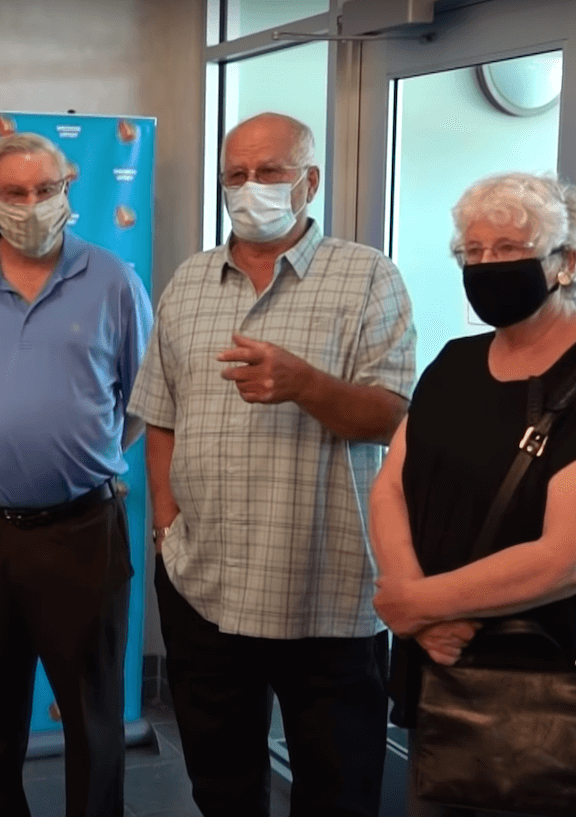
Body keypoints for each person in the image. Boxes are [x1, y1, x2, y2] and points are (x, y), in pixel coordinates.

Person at [128, 111, 416, 817]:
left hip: (324, 586)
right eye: (236, 174)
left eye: (270, 172)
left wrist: (305, 384)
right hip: (205, 582)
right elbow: (160, 413)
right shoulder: (190, 282)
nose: (249, 186)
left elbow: (391, 415)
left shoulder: (367, 277)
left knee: (338, 791)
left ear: (309, 182)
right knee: (221, 786)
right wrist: (166, 526)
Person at [369, 171, 576, 817]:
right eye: (472, 252)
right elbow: (391, 486)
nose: (486, 266)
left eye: (508, 249)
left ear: (566, 261)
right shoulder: (453, 365)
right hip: (444, 666)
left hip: (556, 687)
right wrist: (421, 612)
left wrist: (417, 604)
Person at [0, 131, 153, 817]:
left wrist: (80, 453)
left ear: (67, 190)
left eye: (45, 189)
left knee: (92, 715)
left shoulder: (113, 279)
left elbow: (144, 402)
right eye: (14, 192)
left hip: (82, 528)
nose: (31, 204)